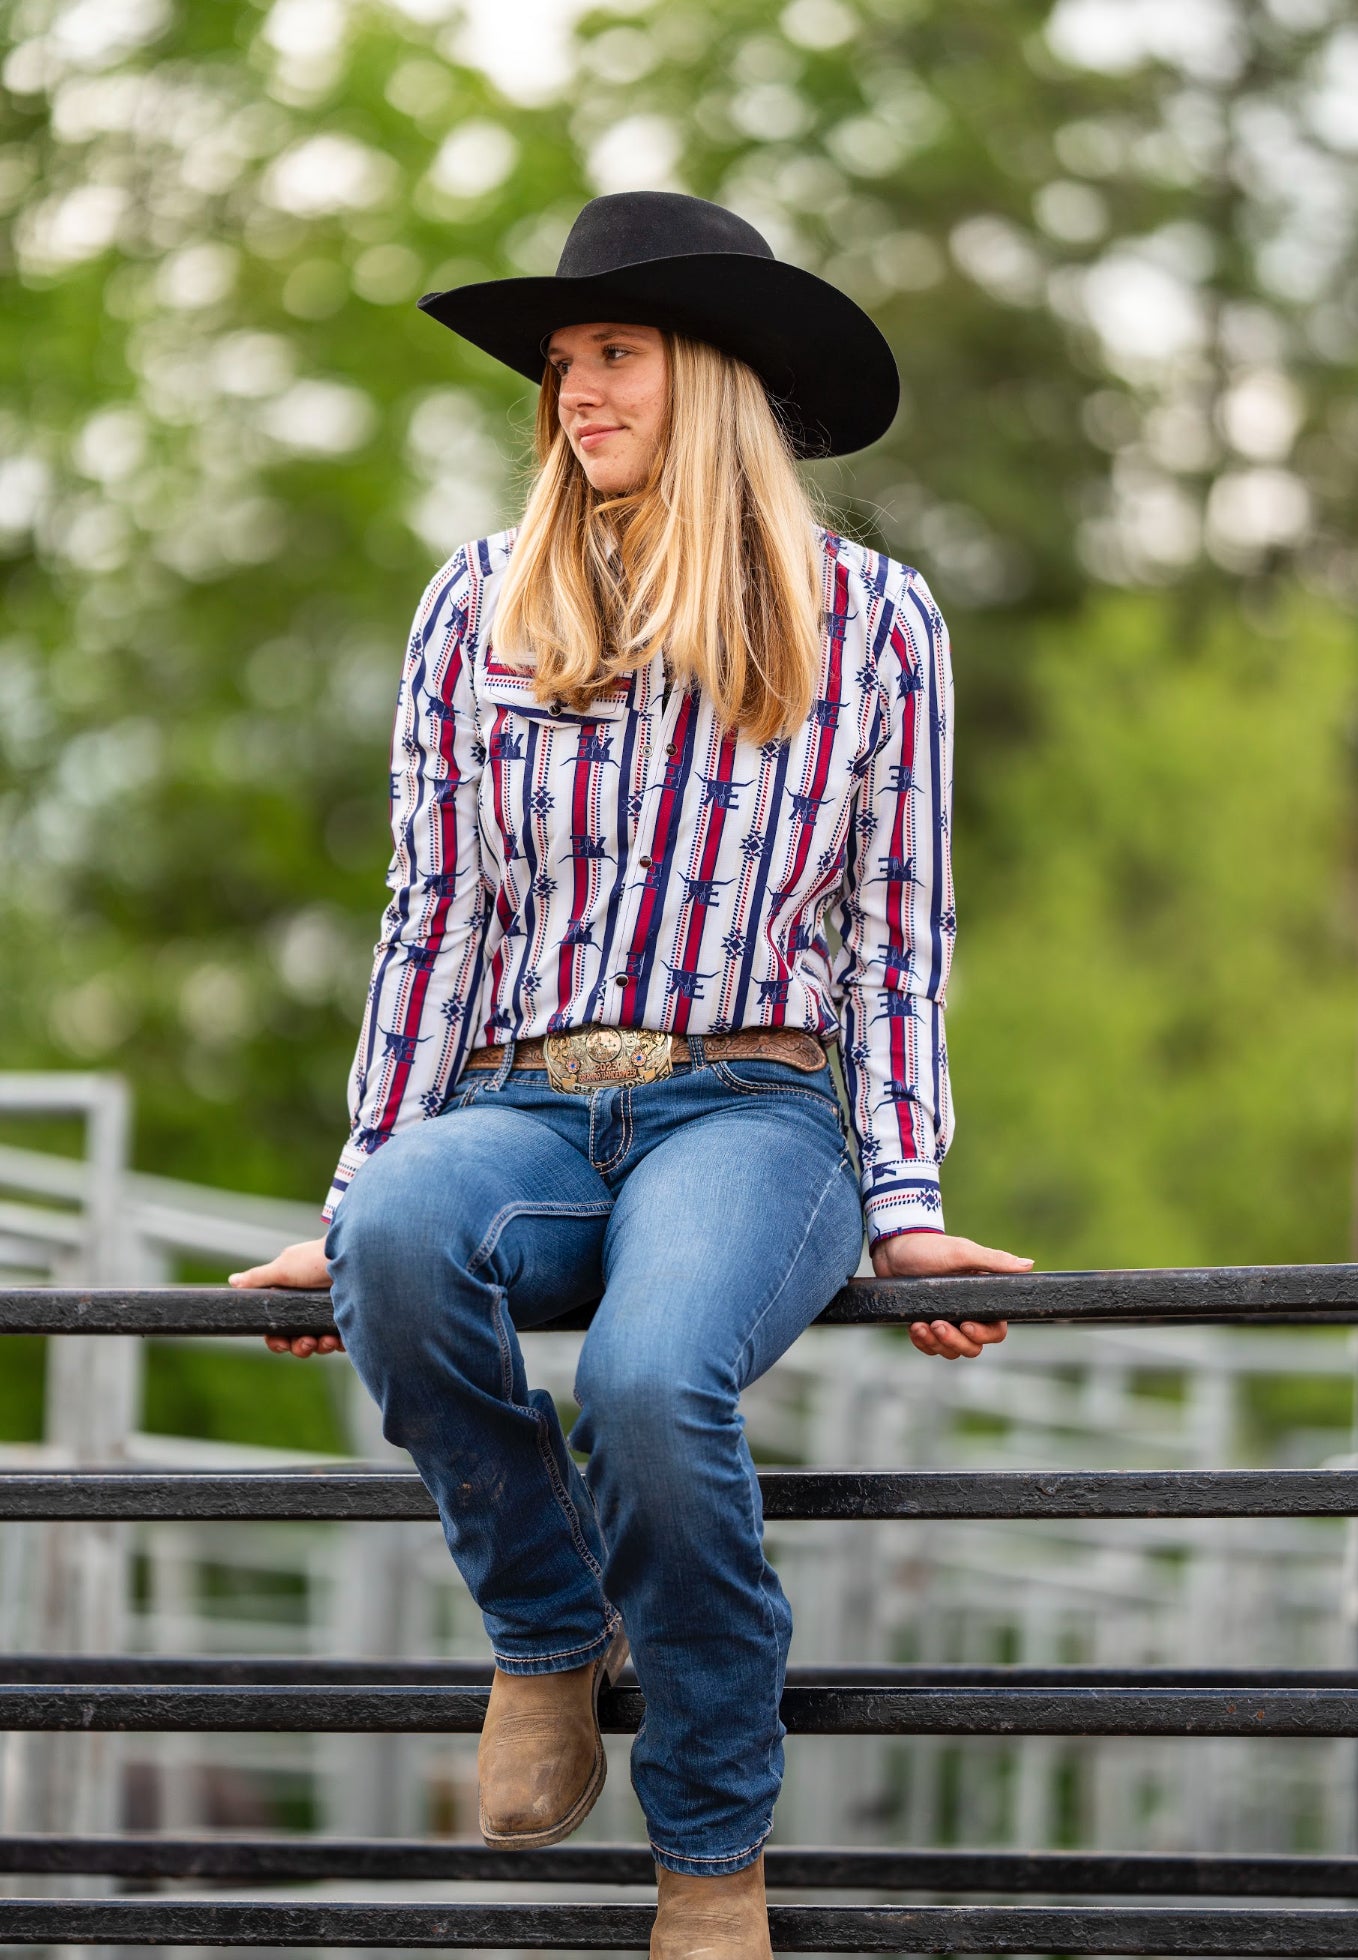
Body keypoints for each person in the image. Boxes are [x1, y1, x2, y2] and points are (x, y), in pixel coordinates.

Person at [230, 190, 1032, 1960]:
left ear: (718, 379)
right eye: (563, 363)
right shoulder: (477, 608)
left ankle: (712, 1864)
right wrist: (359, 1188)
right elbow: (430, 914)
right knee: (392, 1250)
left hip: (754, 1107)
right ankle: (542, 1634)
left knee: (655, 1383)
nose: (576, 389)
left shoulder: (875, 622)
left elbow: (896, 933)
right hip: (518, 1100)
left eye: (618, 354)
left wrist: (902, 1209)